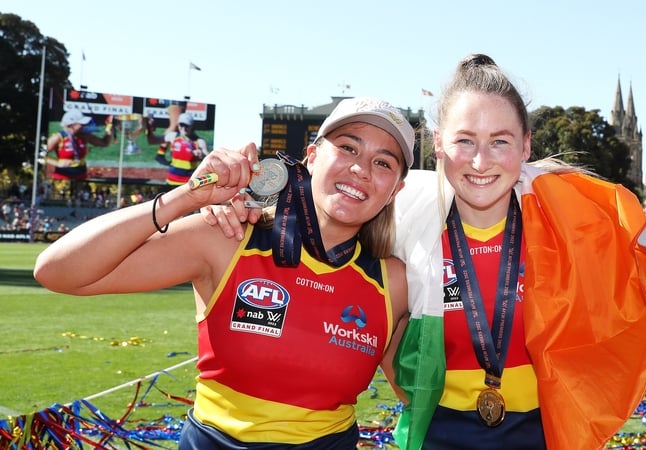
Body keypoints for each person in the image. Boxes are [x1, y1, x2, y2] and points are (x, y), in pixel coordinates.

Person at [204, 56, 646, 449]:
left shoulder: (574, 213)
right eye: (465, 142)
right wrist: (238, 192)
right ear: (438, 145)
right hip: (434, 431)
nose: (482, 161)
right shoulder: (405, 211)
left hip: (543, 431)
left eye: (501, 142)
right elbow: (321, 214)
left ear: (526, 146)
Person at [34, 97, 415, 449]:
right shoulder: (227, 238)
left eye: (383, 162)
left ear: (394, 190)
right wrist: (186, 197)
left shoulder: (393, 281)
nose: (360, 169)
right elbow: (59, 272)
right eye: (348, 147)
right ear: (312, 156)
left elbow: (420, 393)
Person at [46, 110, 113, 196]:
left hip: (81, 175)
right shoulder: (57, 138)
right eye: (80, 124)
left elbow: (104, 143)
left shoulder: (85, 136)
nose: (83, 126)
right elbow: (40, 155)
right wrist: (57, 163)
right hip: (62, 176)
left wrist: (109, 129)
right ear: (70, 125)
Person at [152, 112, 210, 186]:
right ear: (178, 125)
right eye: (181, 125)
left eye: (186, 125)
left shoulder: (199, 141)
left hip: (188, 184)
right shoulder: (173, 137)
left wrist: (201, 154)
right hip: (171, 182)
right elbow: (153, 140)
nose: (184, 128)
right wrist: (149, 128)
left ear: (192, 126)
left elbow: (209, 159)